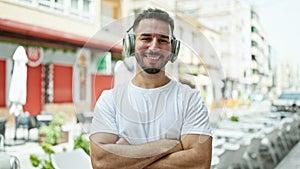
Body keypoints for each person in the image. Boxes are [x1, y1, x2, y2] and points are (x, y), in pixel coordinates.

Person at [90, 8, 212, 169]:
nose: (154, 47)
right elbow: (101, 162)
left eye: (163, 40)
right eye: (146, 38)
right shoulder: (109, 100)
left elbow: (199, 163)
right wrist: (168, 146)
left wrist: (127, 157)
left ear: (173, 49)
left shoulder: (191, 99)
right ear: (131, 44)